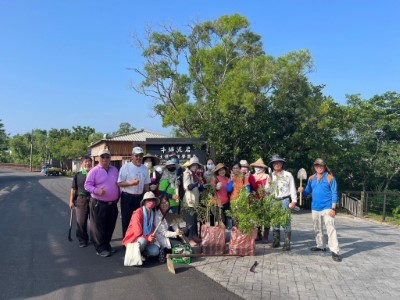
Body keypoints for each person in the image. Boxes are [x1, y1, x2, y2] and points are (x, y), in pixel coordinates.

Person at [298, 158, 342, 262]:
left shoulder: (330, 178)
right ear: (314, 167)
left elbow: (334, 193)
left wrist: (333, 208)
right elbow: (307, 192)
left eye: (321, 166)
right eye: (317, 166)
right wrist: (302, 190)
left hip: (328, 207)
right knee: (317, 228)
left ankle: (334, 251)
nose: (319, 167)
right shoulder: (311, 178)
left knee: (330, 228)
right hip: (315, 207)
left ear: (325, 167)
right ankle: (320, 246)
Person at [84, 149, 120, 257]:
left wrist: (117, 196)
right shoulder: (94, 171)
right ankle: (100, 248)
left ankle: (106, 244)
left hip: (112, 203)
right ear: (98, 158)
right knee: (99, 227)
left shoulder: (115, 170)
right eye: (102, 157)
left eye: (107, 157)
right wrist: (96, 190)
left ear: (110, 158)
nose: (105, 159)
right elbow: (87, 185)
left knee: (110, 225)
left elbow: (118, 184)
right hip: (99, 203)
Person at [117, 146, 151, 239]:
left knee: (138, 220)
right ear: (132, 156)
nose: (138, 158)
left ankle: (136, 240)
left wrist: (147, 198)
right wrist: (131, 183)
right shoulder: (125, 167)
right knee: (126, 220)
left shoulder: (144, 169)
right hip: (127, 197)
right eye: (136, 156)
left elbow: (146, 184)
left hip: (139, 198)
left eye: (140, 156)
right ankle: (126, 242)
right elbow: (119, 183)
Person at [268, 155, 297, 250]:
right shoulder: (270, 175)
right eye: (274, 163)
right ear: (272, 165)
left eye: (278, 162)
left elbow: (292, 188)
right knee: (275, 221)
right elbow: (267, 190)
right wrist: (269, 183)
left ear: (282, 163)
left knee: (286, 221)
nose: (276, 164)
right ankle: (276, 241)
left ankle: (287, 243)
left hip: (285, 200)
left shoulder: (288, 175)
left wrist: (294, 201)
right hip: (273, 200)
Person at [122, 191, 160, 260]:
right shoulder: (138, 213)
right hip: (135, 240)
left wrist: (151, 236)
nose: (151, 201)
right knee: (142, 241)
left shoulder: (152, 213)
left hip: (146, 240)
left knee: (155, 251)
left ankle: (141, 254)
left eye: (153, 200)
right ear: (144, 202)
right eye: (149, 200)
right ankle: (133, 255)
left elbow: (152, 229)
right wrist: (148, 238)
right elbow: (137, 232)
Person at [69, 156, 92, 248]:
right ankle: (83, 240)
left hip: (94, 200)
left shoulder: (95, 173)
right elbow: (73, 189)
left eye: (89, 161)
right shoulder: (78, 175)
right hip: (81, 200)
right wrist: (71, 201)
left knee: (95, 222)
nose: (87, 163)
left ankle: (95, 239)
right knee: (81, 222)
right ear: (82, 164)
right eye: (85, 162)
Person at [182, 156, 204, 247]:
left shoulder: (195, 174)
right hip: (189, 201)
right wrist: (196, 184)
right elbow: (188, 187)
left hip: (195, 201)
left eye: (196, 165)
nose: (195, 167)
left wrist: (203, 185)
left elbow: (199, 187)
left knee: (194, 220)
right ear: (190, 166)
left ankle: (194, 235)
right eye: (193, 165)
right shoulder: (187, 173)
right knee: (190, 221)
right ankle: (190, 239)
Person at [249, 158, 271, 243]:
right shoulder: (252, 176)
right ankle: (258, 235)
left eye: (259, 167)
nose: (257, 168)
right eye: (256, 167)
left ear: (263, 168)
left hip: (265, 198)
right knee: (256, 218)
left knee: (266, 218)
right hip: (255, 199)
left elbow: (268, 188)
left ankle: (265, 236)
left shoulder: (267, 176)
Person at [211, 163, 232, 228]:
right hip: (217, 204)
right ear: (217, 172)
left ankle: (226, 236)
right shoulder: (215, 179)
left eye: (223, 170)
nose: (222, 171)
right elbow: (211, 190)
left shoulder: (227, 178)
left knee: (228, 221)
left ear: (225, 170)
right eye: (220, 170)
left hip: (226, 203)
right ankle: (220, 237)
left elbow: (230, 189)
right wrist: (216, 188)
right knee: (221, 221)